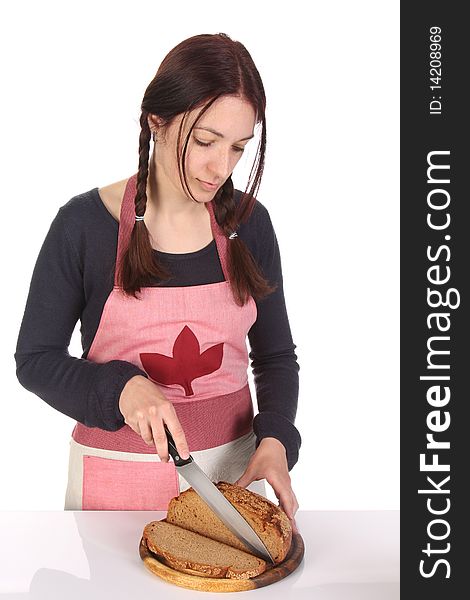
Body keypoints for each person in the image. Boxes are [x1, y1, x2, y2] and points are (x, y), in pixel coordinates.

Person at [15, 32, 301, 527]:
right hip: (113, 485)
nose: (221, 167)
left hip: (232, 481)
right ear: (156, 121)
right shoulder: (84, 225)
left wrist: (275, 439)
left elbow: (275, 356)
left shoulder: (250, 226)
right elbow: (34, 361)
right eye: (205, 141)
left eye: (238, 147)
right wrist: (119, 388)